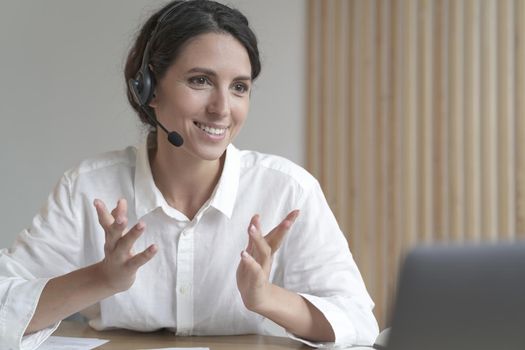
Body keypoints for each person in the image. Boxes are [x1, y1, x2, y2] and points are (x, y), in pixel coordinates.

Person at [0, 1, 379, 349]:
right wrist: (102, 279)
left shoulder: (287, 190)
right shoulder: (88, 187)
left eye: (239, 87)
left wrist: (266, 298)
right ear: (147, 88)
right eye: (200, 80)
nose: (221, 108)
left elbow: (360, 322)